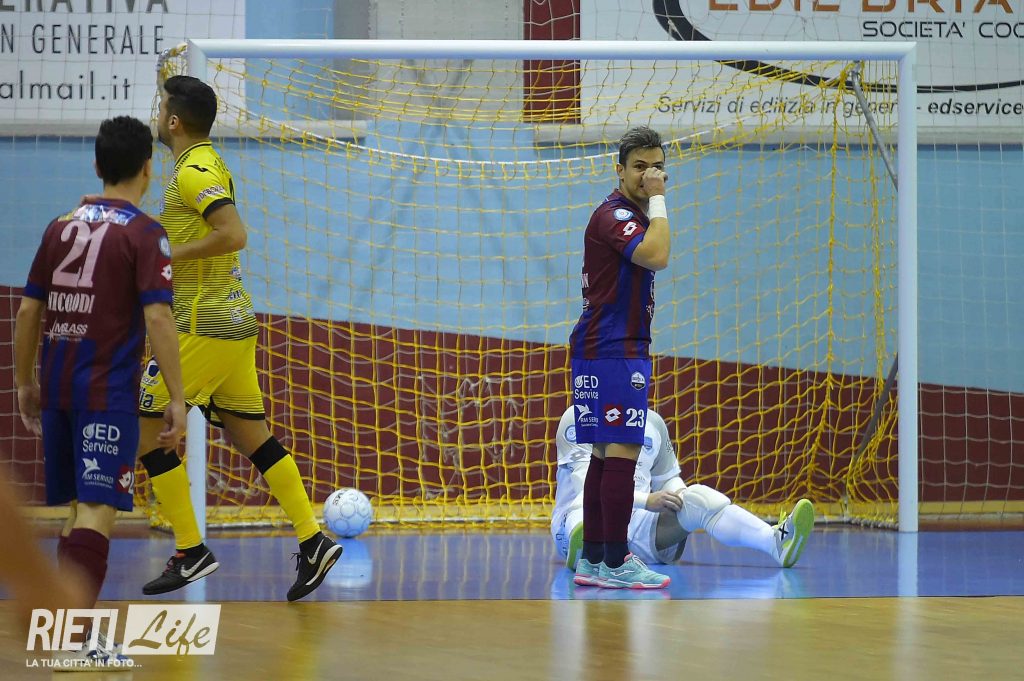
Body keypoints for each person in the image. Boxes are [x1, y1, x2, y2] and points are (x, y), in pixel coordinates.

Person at [137, 75, 341, 602]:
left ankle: (190, 551)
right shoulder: (202, 163)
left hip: (204, 323)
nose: (157, 116)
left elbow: (233, 233)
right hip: (230, 321)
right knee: (254, 437)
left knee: (145, 429)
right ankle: (313, 539)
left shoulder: (195, 169)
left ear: (174, 120)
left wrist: (166, 256)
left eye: (161, 108)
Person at [14, 116, 187, 664]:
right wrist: (177, 397)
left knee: (78, 510)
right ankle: (78, 639)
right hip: (105, 391)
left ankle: (62, 630)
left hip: (58, 385)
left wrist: (24, 382)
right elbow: (158, 317)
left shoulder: (59, 226)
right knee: (98, 508)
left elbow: (28, 312)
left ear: (96, 165)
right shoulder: (145, 232)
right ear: (148, 167)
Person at [567, 126, 673, 589]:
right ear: (620, 170)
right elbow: (657, 255)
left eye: (657, 167)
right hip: (614, 348)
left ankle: (593, 559)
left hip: (599, 346)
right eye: (639, 167)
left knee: (602, 453)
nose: (649, 175)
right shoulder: (616, 215)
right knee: (623, 450)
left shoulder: (622, 213)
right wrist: (660, 198)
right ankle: (616, 562)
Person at [551, 406, 815, 578]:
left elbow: (669, 479)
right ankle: (586, 552)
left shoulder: (652, 421)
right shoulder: (580, 414)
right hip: (582, 519)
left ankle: (775, 542)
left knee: (697, 498)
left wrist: (682, 500)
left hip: (637, 528)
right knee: (586, 503)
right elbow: (585, 483)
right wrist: (647, 500)